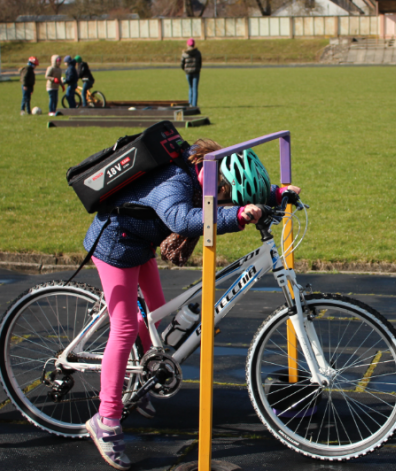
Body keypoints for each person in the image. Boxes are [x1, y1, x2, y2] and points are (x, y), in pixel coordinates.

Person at [83, 139, 300, 470]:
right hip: (116, 242)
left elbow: (241, 191)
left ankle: (138, 383)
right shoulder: (176, 179)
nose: (226, 199)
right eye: (226, 195)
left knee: (157, 321)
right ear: (217, 182)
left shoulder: (210, 171)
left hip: (140, 241)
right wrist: (237, 215)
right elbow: (181, 219)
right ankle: (107, 419)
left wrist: (276, 193)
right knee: (126, 326)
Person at [180, 38, 202, 108]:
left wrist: (185, 69)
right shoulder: (197, 53)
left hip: (188, 73)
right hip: (196, 72)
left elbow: (182, 63)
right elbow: (200, 63)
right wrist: (198, 69)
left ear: (187, 44)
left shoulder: (184, 53)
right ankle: (194, 104)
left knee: (190, 87)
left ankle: (190, 103)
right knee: (195, 88)